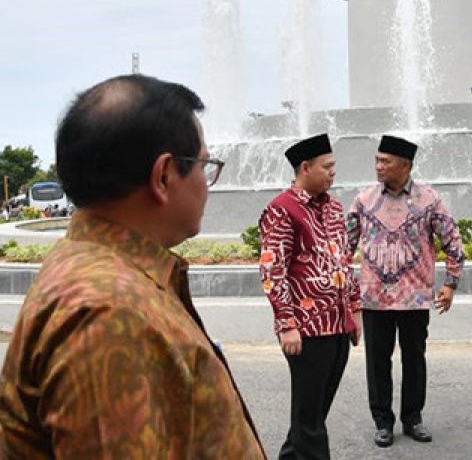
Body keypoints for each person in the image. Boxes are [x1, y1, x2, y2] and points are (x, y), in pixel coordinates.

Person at [0, 74, 265, 458]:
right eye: (205, 166)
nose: (208, 183)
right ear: (163, 175)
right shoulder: (105, 313)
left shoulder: (104, 271)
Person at [346, 135, 465, 447]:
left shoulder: (430, 200)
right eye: (377, 160)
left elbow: (454, 242)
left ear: (406, 165)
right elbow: (343, 248)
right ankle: (382, 422)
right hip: (374, 300)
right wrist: (348, 294)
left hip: (415, 300)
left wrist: (450, 284)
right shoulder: (363, 200)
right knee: (377, 362)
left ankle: (413, 418)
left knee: (415, 359)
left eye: (385, 161)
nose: (378, 166)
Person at [259, 133, 362, 460]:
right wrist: (286, 324)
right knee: (310, 420)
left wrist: (355, 309)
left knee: (313, 415)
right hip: (306, 329)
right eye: (327, 167)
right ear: (305, 167)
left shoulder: (333, 207)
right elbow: (272, 271)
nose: (333, 172)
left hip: (338, 325)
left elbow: (344, 260)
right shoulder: (282, 210)